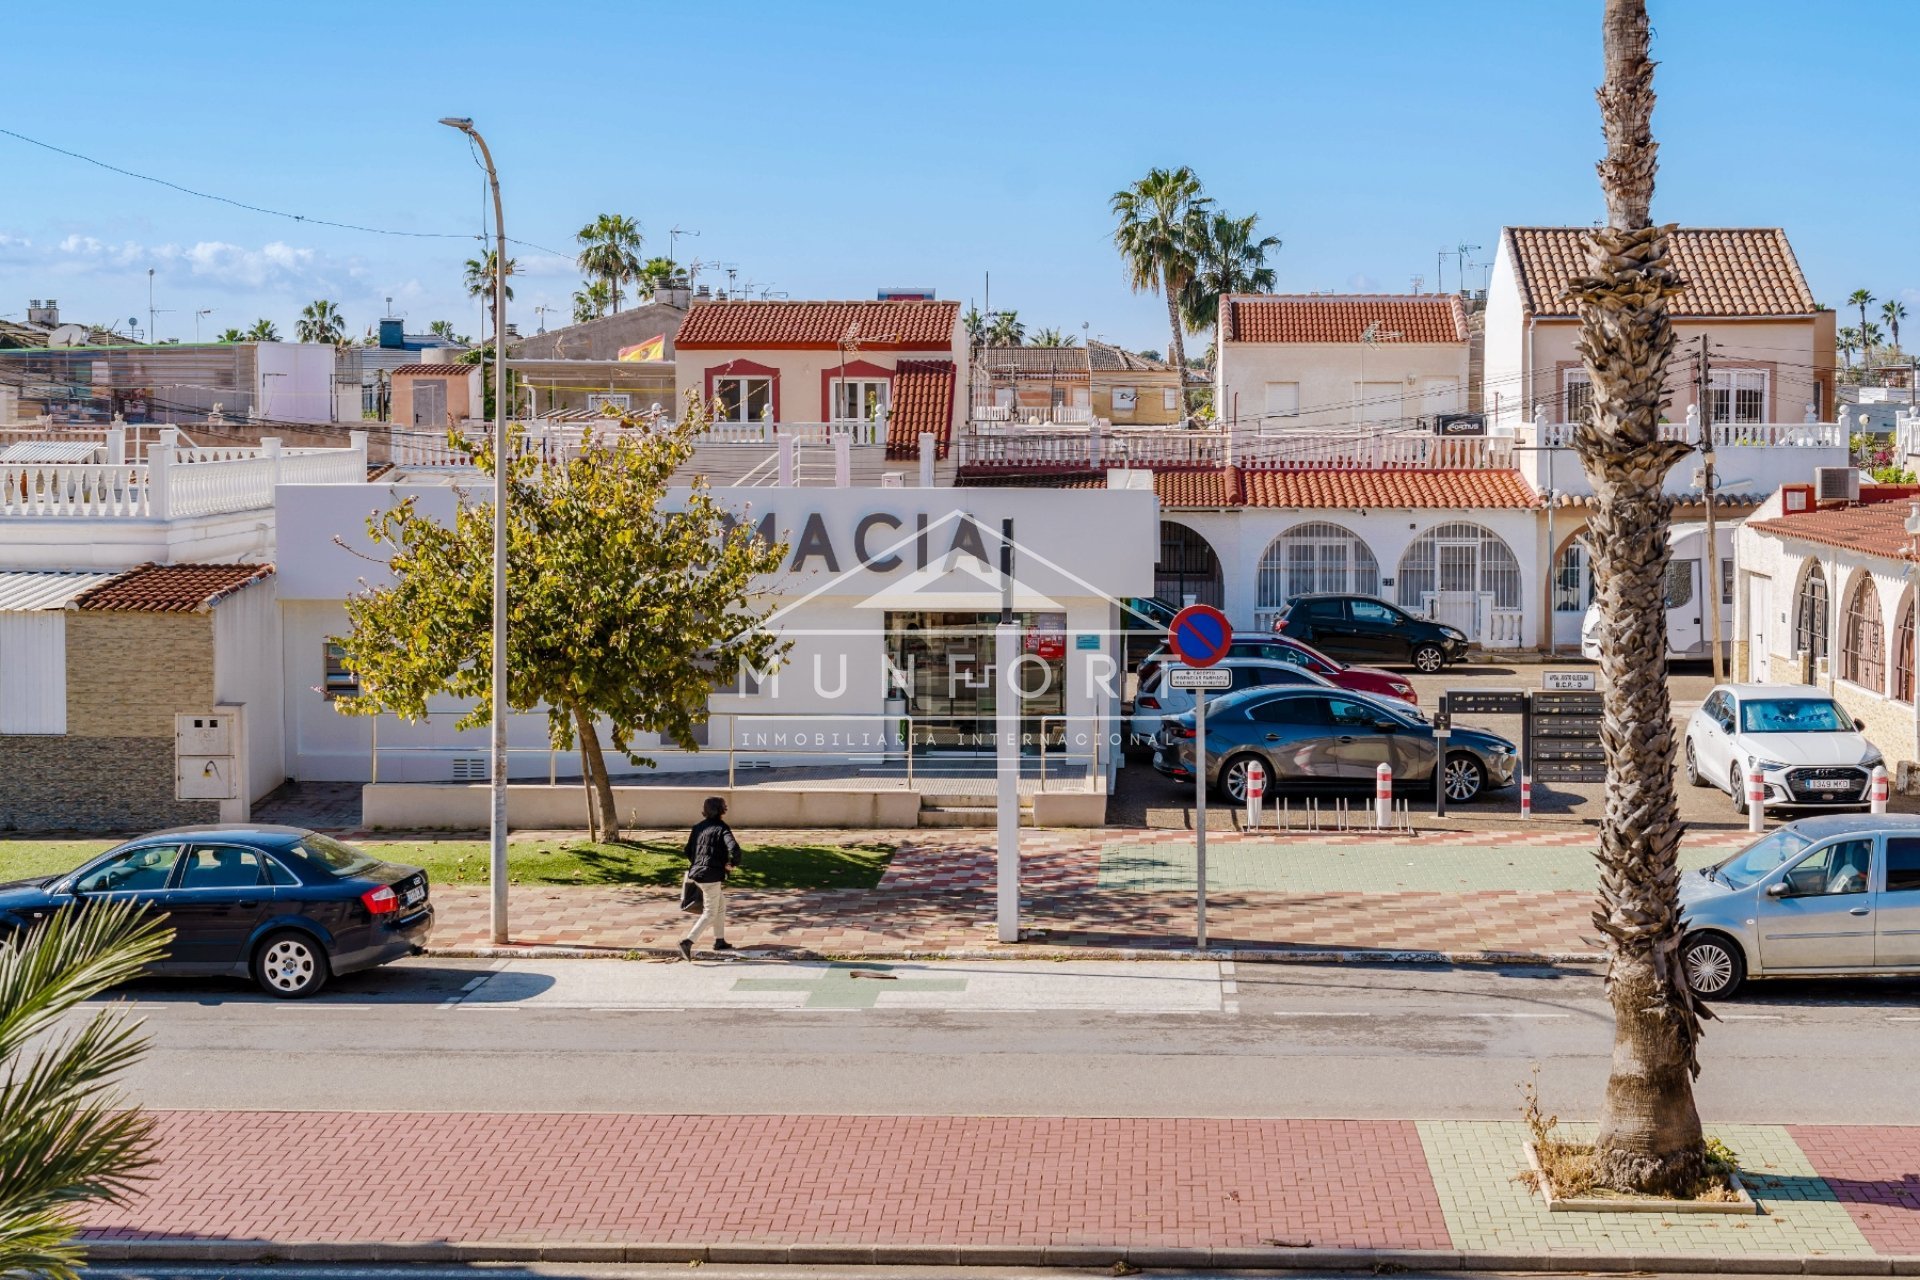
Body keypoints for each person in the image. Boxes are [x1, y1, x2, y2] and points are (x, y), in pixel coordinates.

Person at [679, 796, 742, 959]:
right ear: (721, 810)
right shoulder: (722, 828)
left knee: (721, 904)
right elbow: (734, 848)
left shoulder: (698, 827)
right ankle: (688, 941)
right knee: (710, 912)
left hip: (698, 874)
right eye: (724, 806)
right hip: (711, 876)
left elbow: (687, 850)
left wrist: (698, 863)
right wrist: (732, 864)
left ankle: (719, 940)